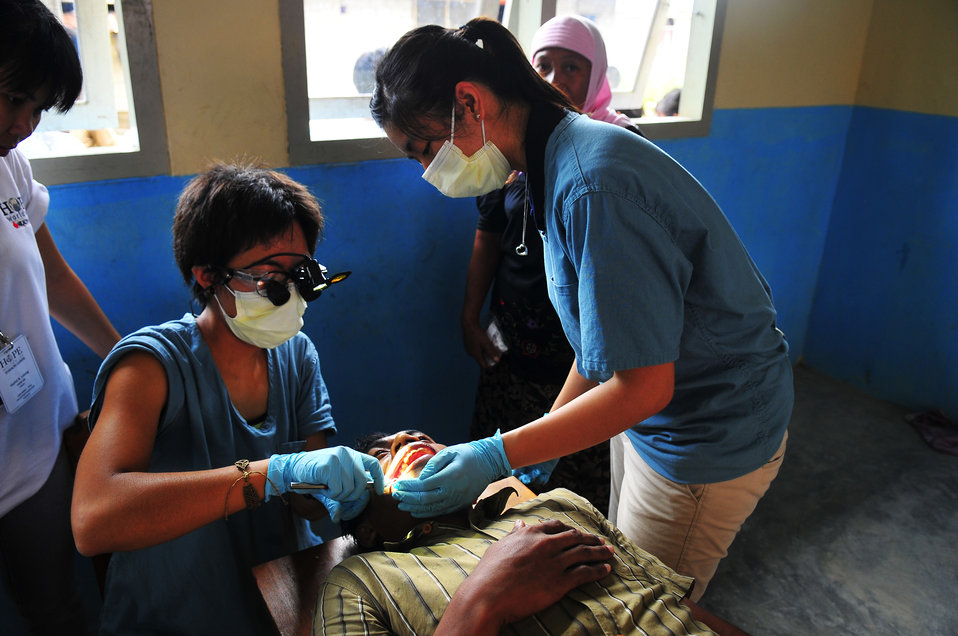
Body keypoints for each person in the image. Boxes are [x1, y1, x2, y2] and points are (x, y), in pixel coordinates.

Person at [370, 17, 793, 601]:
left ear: (468, 102)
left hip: (707, 433)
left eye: (424, 150)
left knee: (641, 607)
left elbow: (643, 387)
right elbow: (605, 349)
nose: (427, 172)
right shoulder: (551, 161)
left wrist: (497, 452)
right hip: (657, 419)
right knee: (619, 553)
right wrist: (539, 441)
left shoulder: (592, 182)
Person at [71, 163, 385, 636]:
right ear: (207, 277)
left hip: (276, 605)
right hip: (173, 616)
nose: (290, 296)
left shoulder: (296, 355)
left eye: (301, 277)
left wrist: (354, 483)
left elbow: (311, 506)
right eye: (269, 281)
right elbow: (93, 521)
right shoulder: (152, 367)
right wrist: (270, 474)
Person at [462, 14, 644, 512]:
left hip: (583, 359)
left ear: (597, 75)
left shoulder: (612, 152)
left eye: (572, 67)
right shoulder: (513, 150)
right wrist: (470, 317)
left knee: (572, 497)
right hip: (513, 347)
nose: (555, 79)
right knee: (498, 491)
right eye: (542, 65)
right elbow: (487, 237)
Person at [319, 429, 746, 635]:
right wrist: (483, 600)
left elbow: (675, 606)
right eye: (381, 454)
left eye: (420, 435)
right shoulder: (360, 584)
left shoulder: (559, 504)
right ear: (370, 530)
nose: (407, 438)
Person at [0, 1, 122, 633]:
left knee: (57, 608)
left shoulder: (8, 167)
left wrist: (126, 356)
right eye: (14, 98)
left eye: (37, 109)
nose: (23, 125)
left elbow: (52, 277)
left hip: (34, 438)